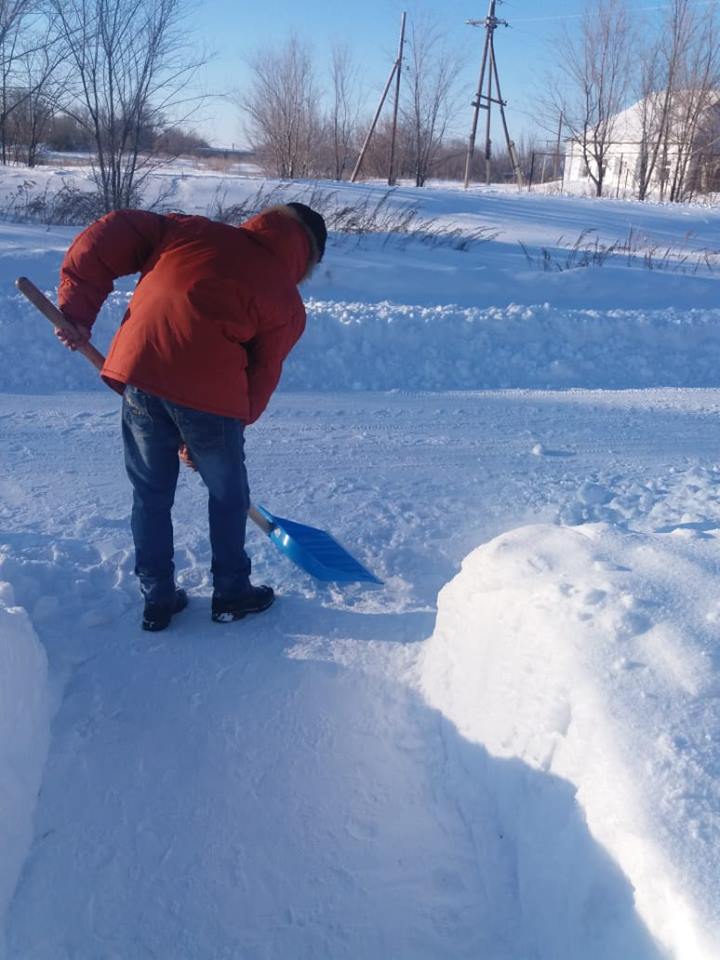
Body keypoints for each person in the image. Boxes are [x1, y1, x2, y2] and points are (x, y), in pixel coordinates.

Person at [56, 202, 327, 631]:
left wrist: (76, 310)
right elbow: (260, 377)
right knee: (228, 495)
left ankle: (157, 598)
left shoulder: (189, 230)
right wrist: (221, 432)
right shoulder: (286, 301)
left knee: (150, 494)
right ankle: (232, 593)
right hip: (211, 402)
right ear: (308, 257)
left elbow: (109, 234)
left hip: (140, 375)